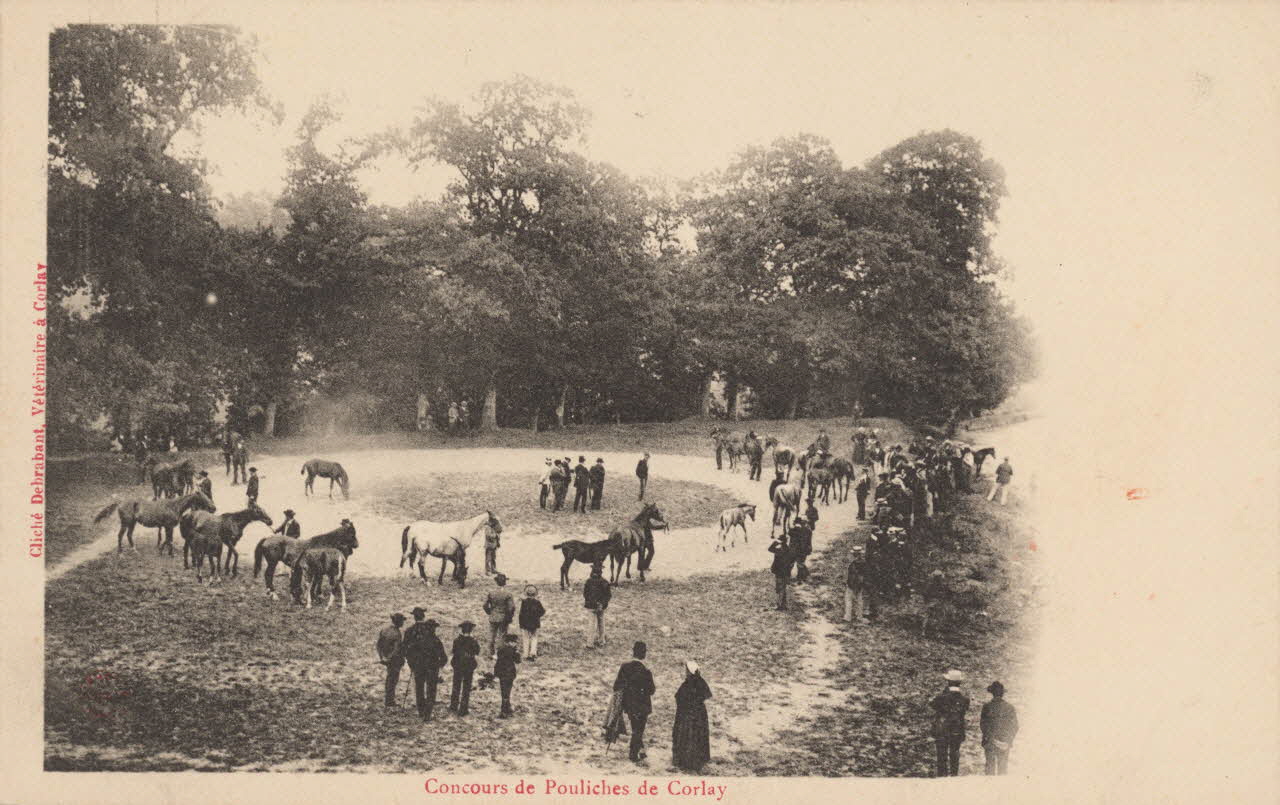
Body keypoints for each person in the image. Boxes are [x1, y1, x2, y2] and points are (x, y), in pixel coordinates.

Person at [402, 609, 448, 722]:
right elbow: (444, 658)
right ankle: (428, 713)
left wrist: (412, 663)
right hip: (432, 668)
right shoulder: (436, 641)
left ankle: (421, 710)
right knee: (431, 690)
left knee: (419, 688)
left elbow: (407, 650)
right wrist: (438, 665)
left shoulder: (415, 637)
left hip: (418, 666)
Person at [614, 641, 656, 763]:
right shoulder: (646, 671)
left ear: (633, 652)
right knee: (638, 730)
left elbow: (617, 686)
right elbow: (651, 690)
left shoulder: (624, 667)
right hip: (642, 707)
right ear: (644, 654)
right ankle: (633, 754)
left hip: (629, 706)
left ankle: (641, 750)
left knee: (635, 728)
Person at [672, 660, 713, 772]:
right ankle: (698, 760)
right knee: (698, 736)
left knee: (686, 736)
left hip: (687, 715)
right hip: (699, 715)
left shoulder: (687, 683)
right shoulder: (701, 682)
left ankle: (686, 761)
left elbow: (678, 697)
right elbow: (706, 695)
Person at [930, 669, 970, 776]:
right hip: (957, 729)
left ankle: (942, 777)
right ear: (960, 683)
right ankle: (954, 776)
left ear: (948, 682)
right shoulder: (964, 699)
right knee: (955, 753)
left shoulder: (941, 697)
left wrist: (945, 692)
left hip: (942, 730)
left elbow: (933, 705)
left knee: (941, 756)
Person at [980, 681, 1019, 775]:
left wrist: (990, 738)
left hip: (990, 742)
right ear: (1002, 693)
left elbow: (983, 725)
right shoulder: (1010, 707)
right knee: (1003, 770)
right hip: (1004, 742)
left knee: (990, 770)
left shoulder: (987, 706)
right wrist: (1008, 740)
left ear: (992, 693)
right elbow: (1015, 726)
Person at [449, 621, 480, 716]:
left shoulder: (457, 640)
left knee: (456, 685)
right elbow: (477, 651)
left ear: (462, 630)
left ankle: (453, 705)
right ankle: (463, 707)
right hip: (468, 666)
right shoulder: (473, 641)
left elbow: (454, 651)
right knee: (466, 687)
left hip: (458, 665)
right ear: (471, 630)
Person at [376, 613, 406, 708]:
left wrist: (382, 657)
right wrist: (390, 657)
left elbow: (378, 645)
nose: (403, 623)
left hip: (386, 658)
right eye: (402, 621)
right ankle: (389, 701)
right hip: (394, 661)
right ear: (399, 622)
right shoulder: (397, 633)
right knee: (393, 680)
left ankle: (388, 699)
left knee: (389, 679)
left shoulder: (384, 630)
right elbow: (396, 649)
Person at [483, 574, 515, 659]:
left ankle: (490, 653)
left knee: (491, 635)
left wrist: (490, 612)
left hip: (493, 616)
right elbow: (511, 608)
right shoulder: (508, 594)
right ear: (505, 583)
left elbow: (485, 605)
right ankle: (499, 653)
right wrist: (510, 617)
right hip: (503, 617)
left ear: (496, 582)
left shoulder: (491, 593)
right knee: (502, 636)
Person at [583, 562, 611, 647]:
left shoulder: (588, 581)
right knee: (601, 624)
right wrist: (602, 603)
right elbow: (608, 595)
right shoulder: (605, 582)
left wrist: (590, 601)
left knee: (591, 625)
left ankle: (590, 643)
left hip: (591, 606)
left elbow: (585, 594)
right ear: (601, 572)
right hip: (601, 606)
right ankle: (601, 641)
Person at [494, 633, 521, 717]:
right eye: (514, 642)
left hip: (502, 674)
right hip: (510, 674)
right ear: (510, 642)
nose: (515, 644)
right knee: (507, 692)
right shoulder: (512, 651)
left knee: (504, 691)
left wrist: (496, 673)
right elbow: (518, 661)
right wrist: (517, 652)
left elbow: (498, 662)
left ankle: (505, 708)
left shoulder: (501, 649)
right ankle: (505, 710)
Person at [768, 533, 797, 611]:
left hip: (779, 572)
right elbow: (793, 560)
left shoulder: (778, 550)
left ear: (781, 541)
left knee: (779, 588)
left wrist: (775, 542)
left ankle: (780, 606)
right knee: (783, 588)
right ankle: (783, 605)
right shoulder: (790, 550)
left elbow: (770, 549)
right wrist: (790, 568)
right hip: (786, 572)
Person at [518, 585, 545, 660]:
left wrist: (521, 623)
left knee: (525, 638)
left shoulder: (524, 602)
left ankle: (525, 654)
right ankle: (533, 653)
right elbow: (542, 611)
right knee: (534, 637)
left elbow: (521, 614)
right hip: (535, 622)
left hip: (525, 623)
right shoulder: (537, 602)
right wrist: (537, 616)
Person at [844, 545, 868, 623]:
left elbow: (852, 575)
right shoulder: (863, 563)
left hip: (852, 584)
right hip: (859, 584)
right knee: (859, 600)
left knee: (849, 600)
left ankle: (848, 616)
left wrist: (849, 583)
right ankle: (859, 616)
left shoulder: (853, 563)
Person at [789, 516, 813, 583]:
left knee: (792, 564)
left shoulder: (794, 529)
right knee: (800, 564)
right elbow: (809, 541)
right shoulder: (808, 530)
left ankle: (790, 577)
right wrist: (809, 548)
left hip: (794, 550)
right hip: (802, 550)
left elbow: (790, 533)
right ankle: (801, 578)